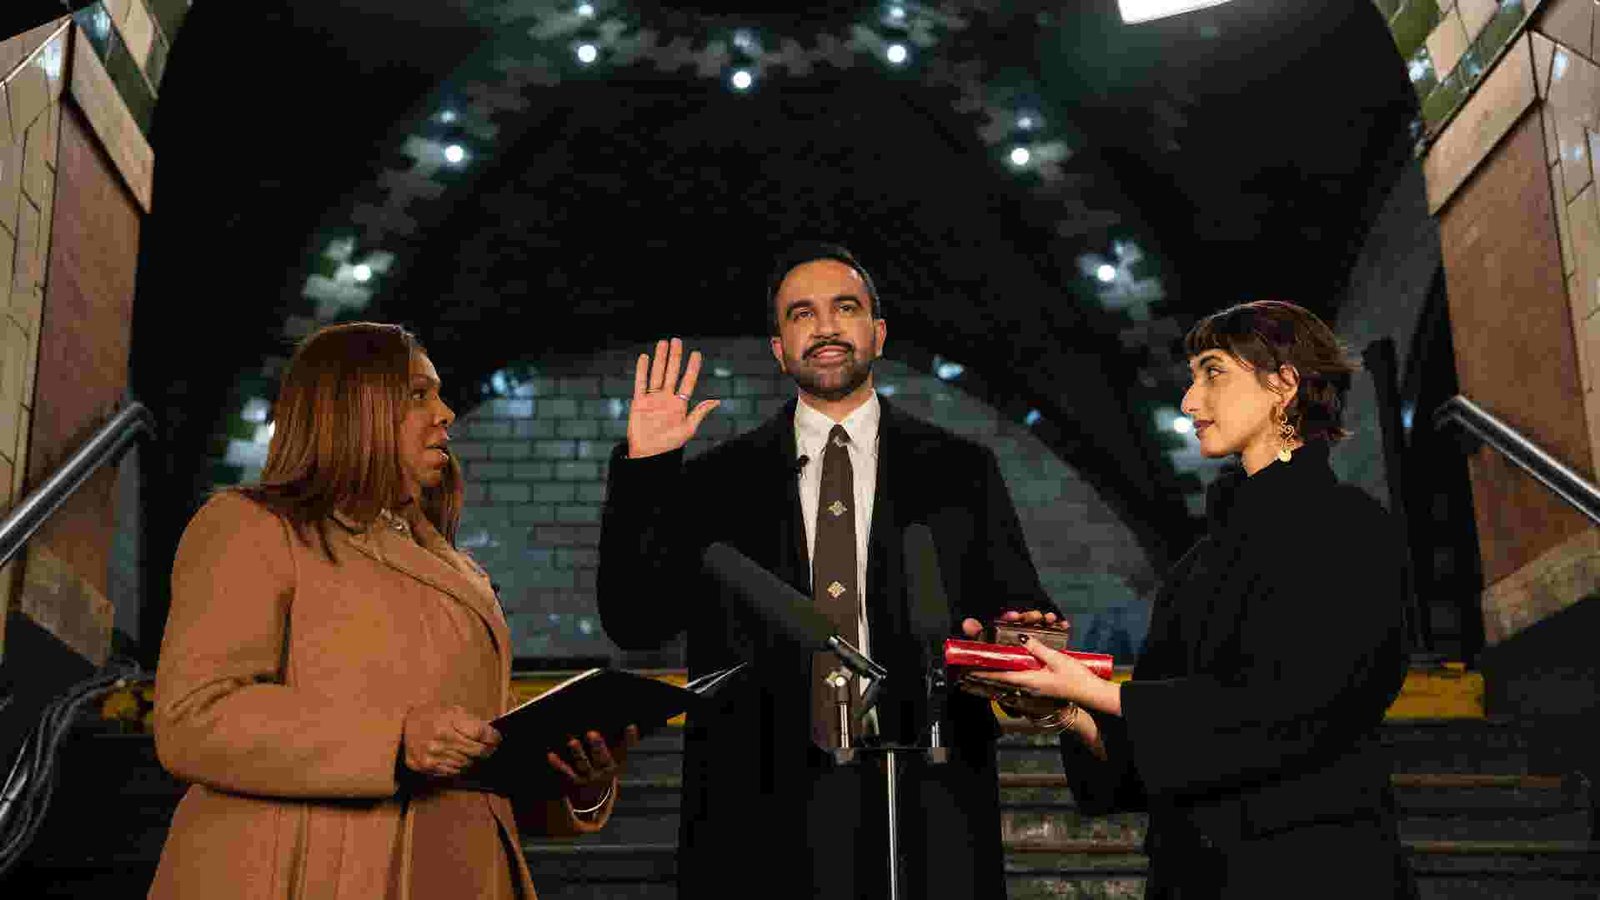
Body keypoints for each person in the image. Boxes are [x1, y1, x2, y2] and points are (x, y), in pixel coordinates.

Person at [597, 242, 1064, 898]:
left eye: (845, 308)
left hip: (924, 802)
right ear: (779, 350)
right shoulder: (717, 482)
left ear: (877, 333)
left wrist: (1020, 637)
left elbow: (1018, 611)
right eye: (801, 314)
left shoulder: (961, 469)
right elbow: (634, 619)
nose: (824, 325)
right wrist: (648, 470)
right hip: (760, 819)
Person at [148, 322, 637, 899]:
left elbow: (473, 762)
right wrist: (395, 740)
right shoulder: (250, 527)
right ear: (352, 407)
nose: (447, 412)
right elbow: (195, 718)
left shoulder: (460, 570)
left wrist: (578, 783)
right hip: (305, 875)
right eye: (418, 394)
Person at [970, 300, 1414, 897]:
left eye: (1213, 372)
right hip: (1193, 875)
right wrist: (1066, 707)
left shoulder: (1350, 528)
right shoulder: (1195, 564)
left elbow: (1290, 707)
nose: (1189, 401)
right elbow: (1168, 747)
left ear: (1283, 385)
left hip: (1313, 870)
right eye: (1192, 377)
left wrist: (1098, 691)